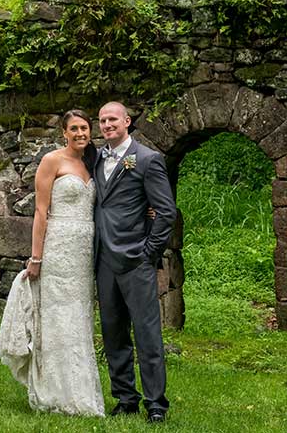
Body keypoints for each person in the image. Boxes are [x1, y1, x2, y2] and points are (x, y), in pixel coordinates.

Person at [0, 109, 104, 417]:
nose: (80, 133)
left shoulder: (92, 163)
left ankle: (81, 390)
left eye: (84, 128)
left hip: (84, 249)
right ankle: (53, 392)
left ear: (90, 131)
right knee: (56, 317)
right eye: (74, 129)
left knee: (79, 317)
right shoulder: (52, 161)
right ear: (64, 133)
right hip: (57, 246)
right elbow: (41, 212)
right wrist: (37, 257)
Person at [93, 101, 176, 423]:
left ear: (127, 121)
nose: (107, 125)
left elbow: (165, 211)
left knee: (147, 334)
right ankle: (125, 397)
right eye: (102, 120)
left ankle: (156, 403)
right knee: (113, 334)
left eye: (112, 119)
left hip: (136, 261)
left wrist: (149, 252)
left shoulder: (147, 160)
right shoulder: (96, 158)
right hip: (104, 262)